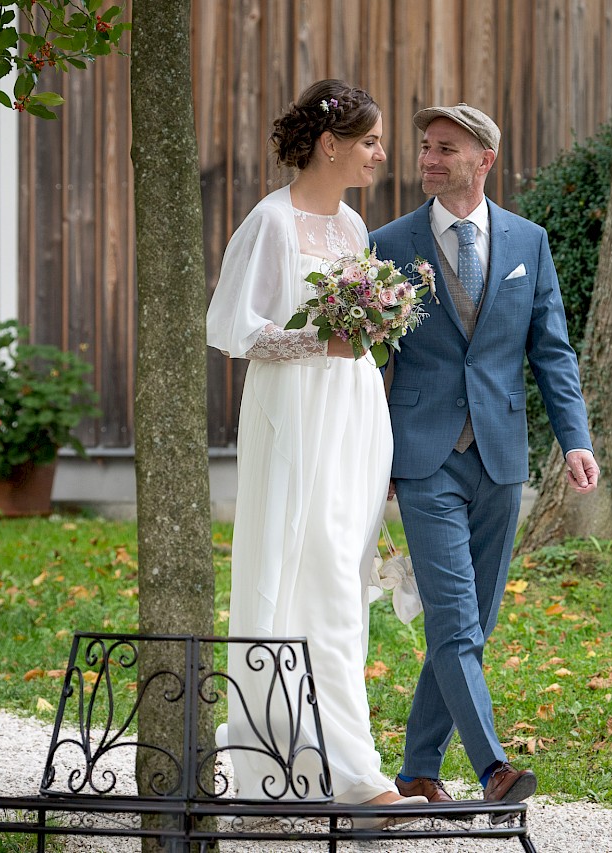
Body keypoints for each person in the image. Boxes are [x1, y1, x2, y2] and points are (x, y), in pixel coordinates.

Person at [205, 79, 427, 819]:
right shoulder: (270, 222)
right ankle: (306, 757)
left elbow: (358, 333)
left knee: (346, 568)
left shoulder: (356, 227)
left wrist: (366, 336)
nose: (380, 153)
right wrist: (316, 340)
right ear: (330, 144)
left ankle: (342, 758)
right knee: (299, 563)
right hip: (294, 414)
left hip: (353, 411)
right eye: (369, 141)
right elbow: (233, 327)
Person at [369, 104, 599, 811]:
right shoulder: (388, 243)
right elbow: (367, 361)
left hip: (501, 457)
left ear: (484, 161)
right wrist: (367, 454)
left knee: (473, 620)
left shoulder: (528, 241)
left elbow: (551, 351)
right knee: (455, 616)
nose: (429, 159)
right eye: (426, 147)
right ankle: (495, 766)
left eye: (446, 149)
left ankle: (416, 768)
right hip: (423, 456)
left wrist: (576, 438)